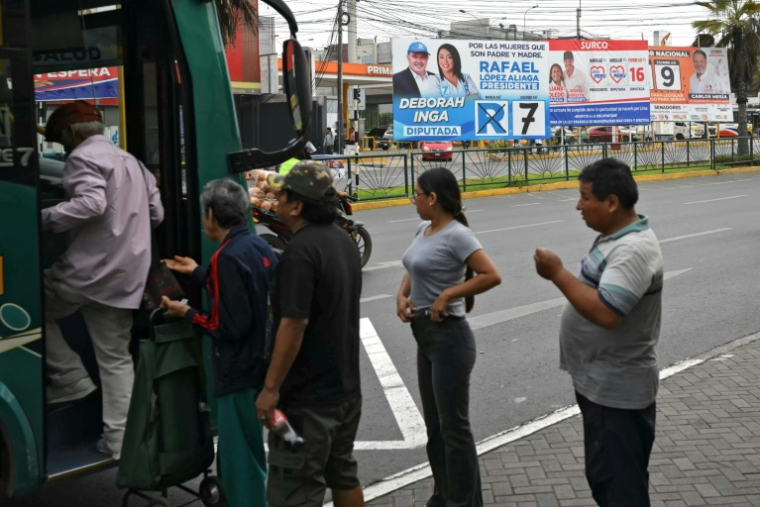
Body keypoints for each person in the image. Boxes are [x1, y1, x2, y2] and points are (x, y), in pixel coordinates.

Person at [533, 158, 664, 507]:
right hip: (601, 385)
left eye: (585, 197)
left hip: (617, 391)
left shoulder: (632, 249)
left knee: (619, 488)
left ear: (611, 203)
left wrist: (557, 272)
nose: (578, 205)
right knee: (610, 480)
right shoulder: (614, 237)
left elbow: (607, 313)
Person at [41, 100, 164, 459]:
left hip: (83, 274)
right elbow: (155, 214)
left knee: (27, 308)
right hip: (123, 281)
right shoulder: (134, 164)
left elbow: (91, 204)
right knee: (115, 362)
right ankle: (120, 444)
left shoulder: (82, 157)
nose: (63, 148)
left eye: (61, 140)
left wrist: (43, 219)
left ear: (70, 133)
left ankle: (68, 379)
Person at [161, 178, 276, 507]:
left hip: (238, 371)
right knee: (238, 453)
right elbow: (246, 294)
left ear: (210, 214)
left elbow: (226, 324)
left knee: (242, 465)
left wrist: (184, 312)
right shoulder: (257, 245)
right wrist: (199, 273)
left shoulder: (226, 257)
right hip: (261, 365)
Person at [255, 162, 364, 507]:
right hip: (346, 390)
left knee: (295, 489)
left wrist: (271, 389)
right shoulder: (343, 241)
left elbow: (293, 324)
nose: (276, 199)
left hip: (309, 399)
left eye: (282, 194)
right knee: (343, 473)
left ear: (297, 205)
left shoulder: (300, 253)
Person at [396, 168, 501, 507]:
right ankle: (445, 496)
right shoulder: (423, 228)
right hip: (425, 336)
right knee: (435, 430)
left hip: (450, 340)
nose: (414, 200)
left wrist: (448, 295)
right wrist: (402, 296)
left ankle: (463, 502)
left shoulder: (458, 235)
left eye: (417, 194)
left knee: (454, 430)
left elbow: (491, 275)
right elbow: (412, 268)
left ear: (433, 198)